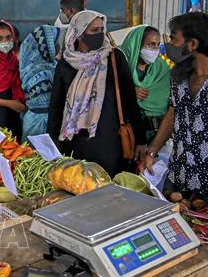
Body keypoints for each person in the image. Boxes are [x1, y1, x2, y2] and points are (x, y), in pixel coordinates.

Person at [143, 13, 208, 202]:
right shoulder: (178, 79)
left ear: (193, 44)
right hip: (178, 177)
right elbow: (172, 116)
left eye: (173, 38)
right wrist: (152, 152)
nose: (168, 44)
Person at [47, 10, 146, 175]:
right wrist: (52, 142)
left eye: (102, 29)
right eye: (94, 30)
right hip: (74, 145)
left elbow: (129, 101)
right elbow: (56, 106)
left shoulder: (114, 58)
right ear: (78, 33)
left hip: (108, 143)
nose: (99, 34)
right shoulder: (66, 64)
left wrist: (141, 140)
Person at [120, 25, 171, 144]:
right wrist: (129, 92)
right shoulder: (121, 68)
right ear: (137, 44)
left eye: (158, 45)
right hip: (125, 132)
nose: (155, 49)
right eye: (151, 45)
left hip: (153, 132)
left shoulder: (162, 69)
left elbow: (167, 108)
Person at [19, 25, 62, 142]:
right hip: (40, 125)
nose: (57, 45)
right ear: (46, 46)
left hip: (35, 121)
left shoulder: (33, 64)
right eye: (54, 42)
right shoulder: (41, 74)